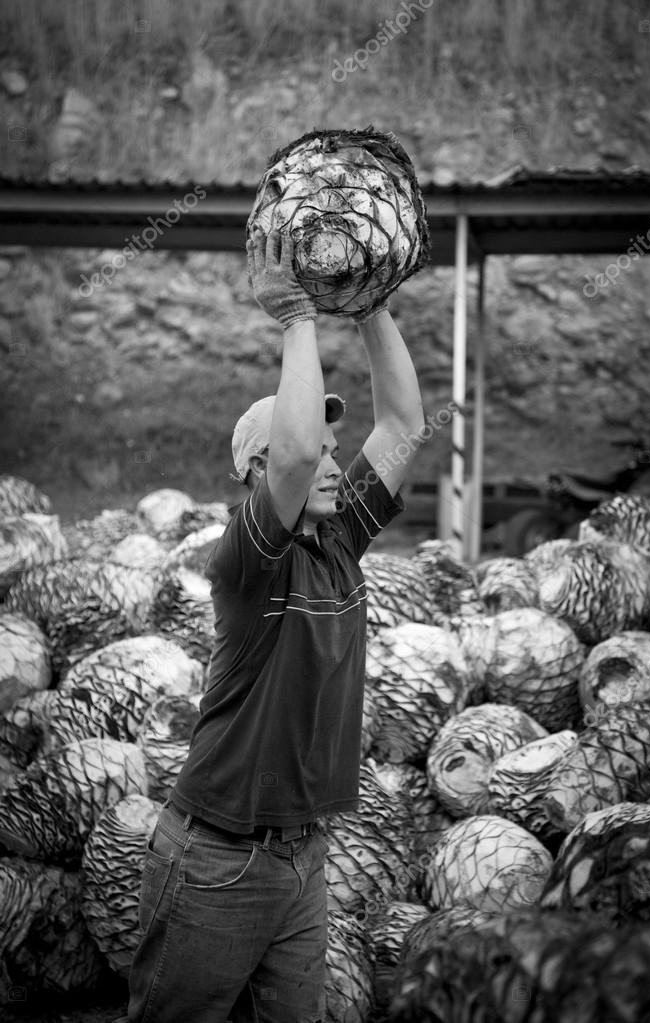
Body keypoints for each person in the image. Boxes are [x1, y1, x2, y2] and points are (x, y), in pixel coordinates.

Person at [125, 227, 425, 1023]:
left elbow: (401, 426)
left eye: (334, 446)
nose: (332, 460)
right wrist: (297, 317)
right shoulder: (247, 558)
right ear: (256, 474)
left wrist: (372, 307)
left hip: (304, 857)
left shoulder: (336, 541)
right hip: (217, 860)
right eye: (315, 449)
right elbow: (294, 458)